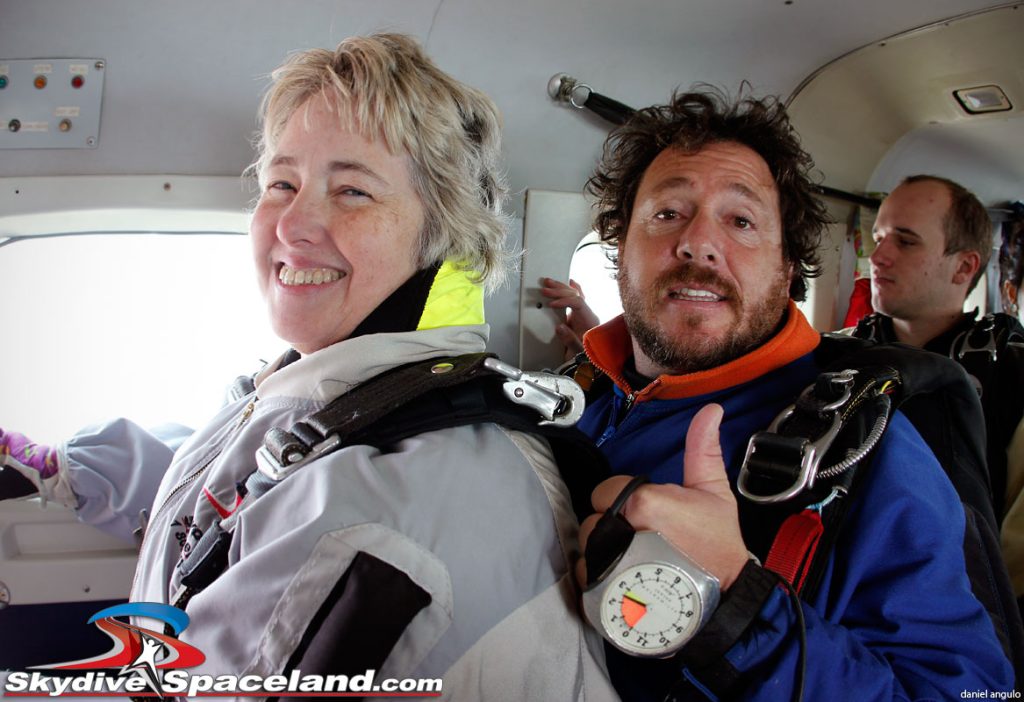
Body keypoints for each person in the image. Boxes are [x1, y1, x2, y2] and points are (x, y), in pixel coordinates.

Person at [0, 34, 618, 699]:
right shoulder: (339, 394)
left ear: (445, 240)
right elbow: (230, 494)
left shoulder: (378, 501)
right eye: (282, 183)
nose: (293, 223)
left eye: (352, 191)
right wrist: (66, 468)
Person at [551, 89, 1013, 699]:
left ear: (788, 267)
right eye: (666, 214)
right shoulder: (573, 398)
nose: (697, 242)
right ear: (619, 249)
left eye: (741, 221)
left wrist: (738, 606)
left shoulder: (866, 452)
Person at [851, 176, 1024, 606]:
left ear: (964, 267)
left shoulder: (1013, 375)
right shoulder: (835, 356)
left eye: (906, 242)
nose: (879, 257)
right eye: (879, 238)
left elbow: (1014, 564)